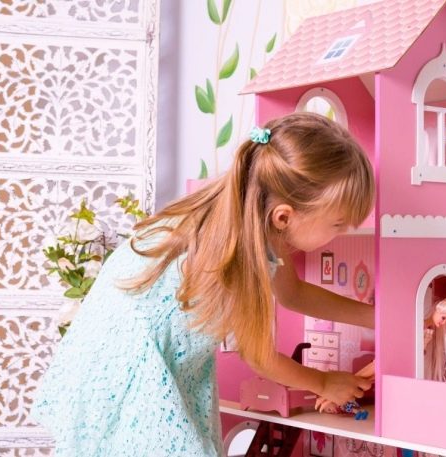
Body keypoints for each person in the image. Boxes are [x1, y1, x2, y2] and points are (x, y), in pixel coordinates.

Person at [32, 112, 376, 456]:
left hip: (130, 362)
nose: (342, 233)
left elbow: (293, 294)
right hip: (134, 373)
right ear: (284, 216)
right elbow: (258, 356)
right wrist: (323, 382)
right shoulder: (230, 252)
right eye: (338, 224)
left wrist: (376, 319)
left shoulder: (252, 220)